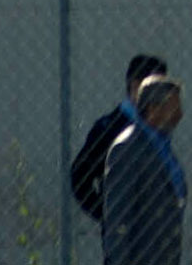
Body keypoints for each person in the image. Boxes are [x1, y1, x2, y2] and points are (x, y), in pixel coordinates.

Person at [72, 54, 172, 223]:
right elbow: (80, 177)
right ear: (136, 86)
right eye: (156, 88)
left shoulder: (157, 128)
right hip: (126, 232)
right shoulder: (110, 128)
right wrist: (109, 216)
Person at [99, 77, 186, 265]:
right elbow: (118, 216)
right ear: (153, 109)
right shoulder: (127, 148)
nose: (180, 114)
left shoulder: (162, 146)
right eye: (174, 107)